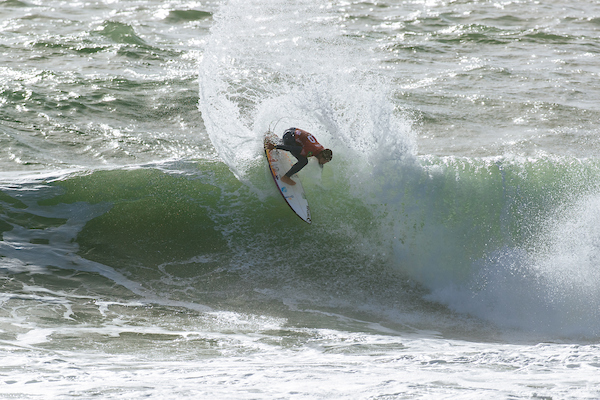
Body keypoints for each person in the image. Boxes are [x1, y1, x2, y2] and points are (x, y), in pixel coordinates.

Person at [266, 127, 333, 186]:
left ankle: (274, 139)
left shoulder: (321, 150)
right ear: (321, 155)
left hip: (292, 131)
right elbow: (291, 148)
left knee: (300, 144)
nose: (324, 163)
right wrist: (275, 147)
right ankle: (286, 177)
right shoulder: (310, 150)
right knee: (303, 161)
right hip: (288, 136)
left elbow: (320, 162)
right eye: (324, 161)